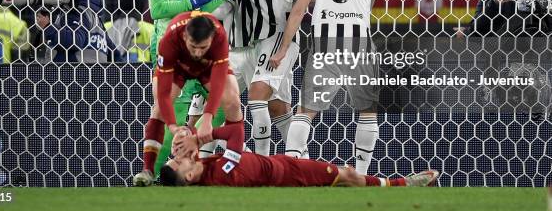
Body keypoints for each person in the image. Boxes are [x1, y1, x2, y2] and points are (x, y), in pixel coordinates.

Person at [175, 0, 298, 157]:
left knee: (257, 99)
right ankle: (208, 161)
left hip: (274, 39)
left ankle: (264, 163)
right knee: (258, 105)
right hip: (246, 45)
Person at [270, 0, 383, 175]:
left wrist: (283, 48)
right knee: (367, 112)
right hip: (358, 43)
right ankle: (362, 175)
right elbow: (368, 6)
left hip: (324, 43)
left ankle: (293, 169)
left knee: (305, 111)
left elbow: (299, 10)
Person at [147, 0, 228, 176]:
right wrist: (197, 0)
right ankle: (157, 176)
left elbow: (201, 8)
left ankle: (194, 161)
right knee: (170, 114)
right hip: (171, 50)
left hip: (196, 49)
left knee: (223, 105)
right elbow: (157, 9)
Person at [133, 11, 243, 187]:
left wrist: (208, 117)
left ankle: (232, 164)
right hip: (178, 66)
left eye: (203, 47)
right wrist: (172, 126)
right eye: (193, 46)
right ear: (185, 36)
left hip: (208, 68)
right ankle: (148, 170)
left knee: (233, 101)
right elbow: (163, 94)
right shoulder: (169, 40)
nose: (198, 53)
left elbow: (218, 82)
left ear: (212, 38)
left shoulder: (220, 36)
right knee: (159, 107)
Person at [160, 122, 438, 188]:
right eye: (180, 160)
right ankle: (402, 184)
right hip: (290, 173)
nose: (183, 155)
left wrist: (186, 135)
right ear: (189, 175)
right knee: (348, 174)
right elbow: (236, 132)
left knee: (344, 181)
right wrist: (199, 137)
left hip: (280, 163)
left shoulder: (205, 171)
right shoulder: (222, 173)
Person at [36, 0, 111, 63]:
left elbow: (76, 41)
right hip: (95, 73)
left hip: (74, 73)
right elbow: (113, 50)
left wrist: (48, 27)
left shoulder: (75, 11)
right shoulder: (95, 18)